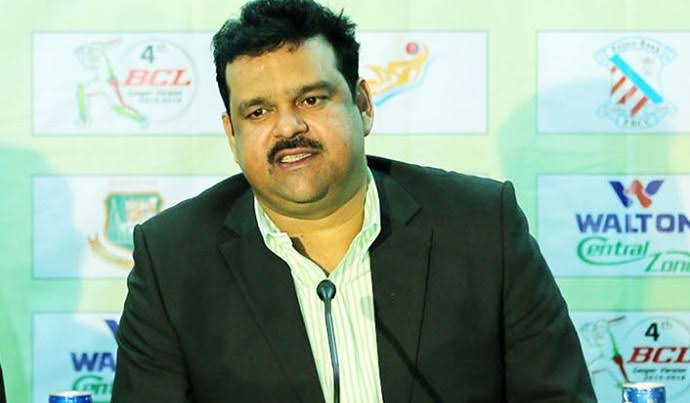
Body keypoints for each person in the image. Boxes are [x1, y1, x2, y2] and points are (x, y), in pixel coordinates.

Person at [112, 0, 596, 402]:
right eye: (258, 112)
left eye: (311, 100)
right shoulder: (173, 260)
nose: (288, 128)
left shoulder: (482, 224)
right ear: (231, 134)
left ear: (362, 106)